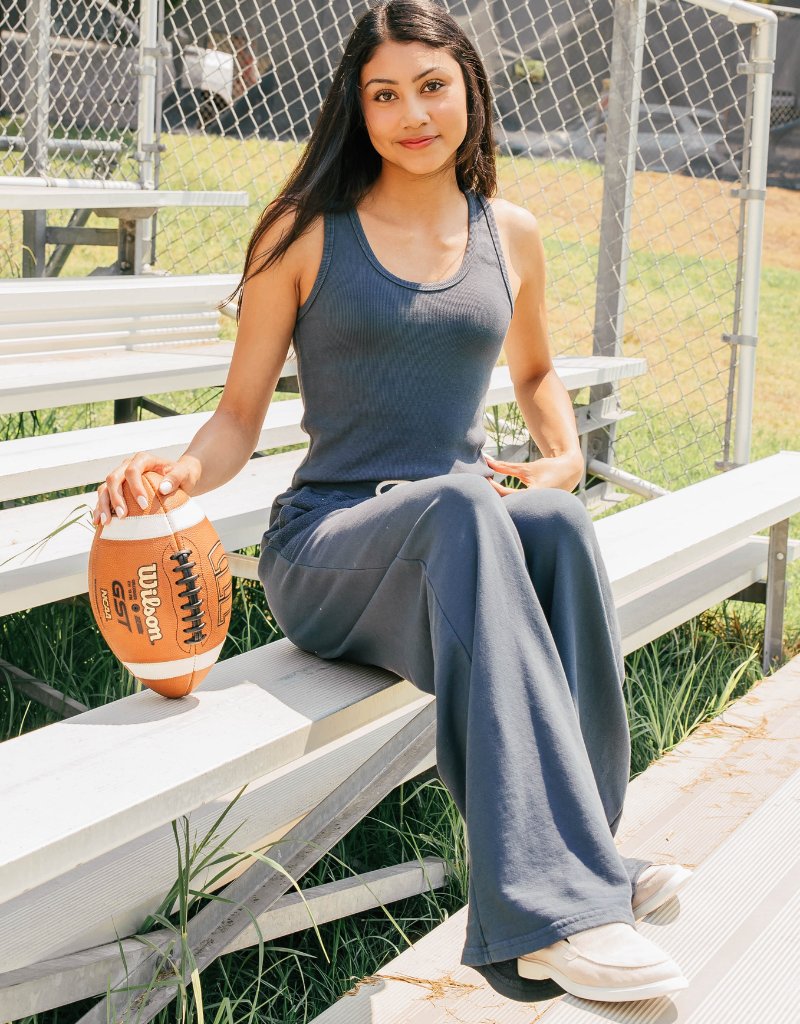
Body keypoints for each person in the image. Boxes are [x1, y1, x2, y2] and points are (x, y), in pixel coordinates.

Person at [94, 0, 691, 1004]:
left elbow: (537, 371)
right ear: (357, 108)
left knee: (552, 521)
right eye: (384, 94)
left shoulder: (511, 234)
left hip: (458, 539)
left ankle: (586, 859)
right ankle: (551, 909)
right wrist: (180, 474)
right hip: (332, 548)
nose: (411, 113)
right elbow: (237, 417)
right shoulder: (301, 232)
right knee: (462, 509)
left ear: (470, 91)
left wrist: (561, 457)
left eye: (430, 87)